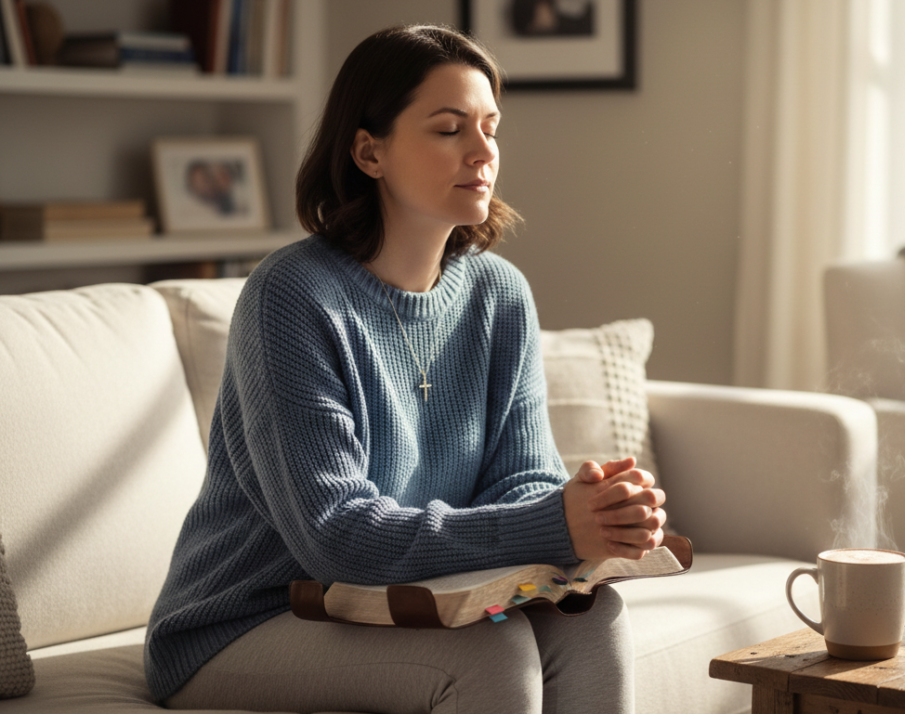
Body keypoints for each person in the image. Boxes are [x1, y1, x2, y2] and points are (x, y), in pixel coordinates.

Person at [144, 24, 667, 714]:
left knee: (593, 620)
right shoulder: (292, 297)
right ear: (370, 152)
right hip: (249, 619)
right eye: (449, 129)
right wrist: (553, 524)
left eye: (490, 128)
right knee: (490, 654)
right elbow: (336, 536)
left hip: (402, 603)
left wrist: (588, 511)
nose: (483, 151)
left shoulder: (499, 294)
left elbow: (520, 478)